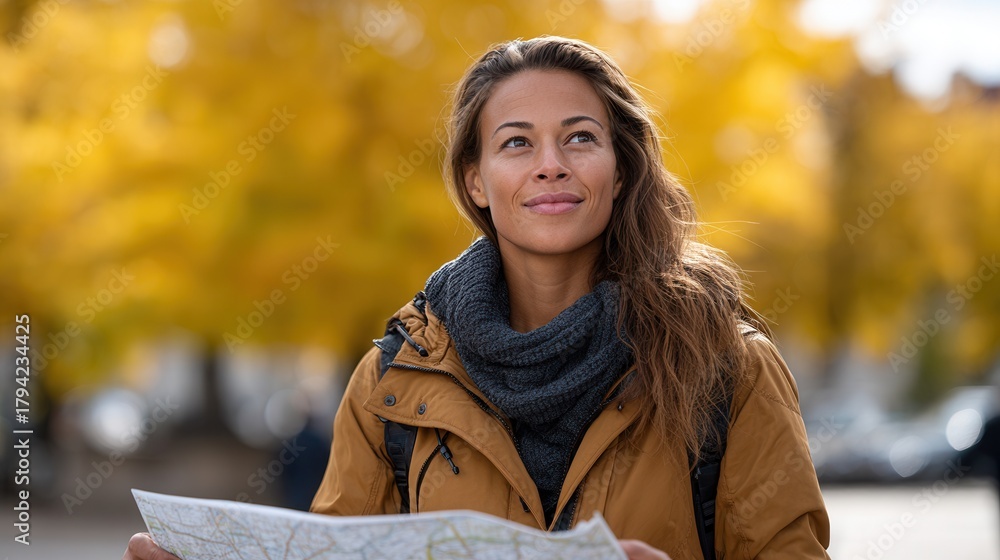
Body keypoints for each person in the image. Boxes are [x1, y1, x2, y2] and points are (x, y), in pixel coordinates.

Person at [124, 35, 831, 560]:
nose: (550, 165)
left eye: (580, 138)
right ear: (475, 181)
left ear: (619, 171)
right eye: (517, 143)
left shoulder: (727, 369)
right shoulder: (391, 383)